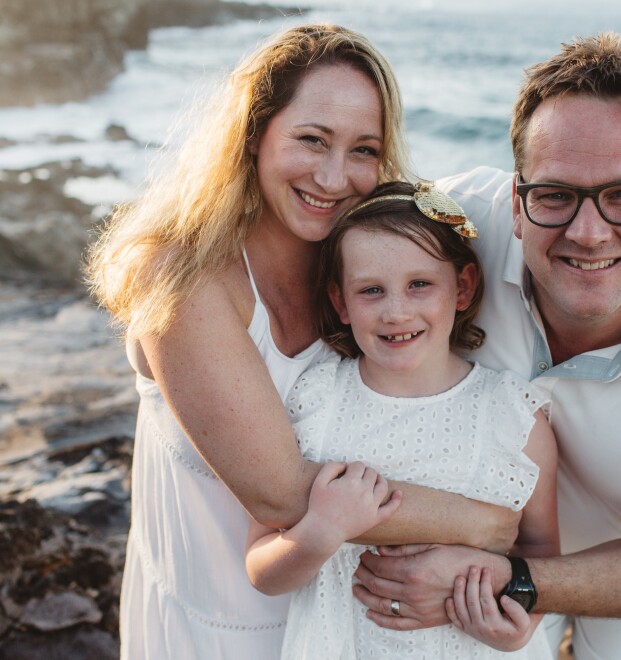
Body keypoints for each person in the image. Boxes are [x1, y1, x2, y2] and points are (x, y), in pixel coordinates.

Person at [352, 33, 621, 659]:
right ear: (515, 199)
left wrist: (520, 583)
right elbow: (336, 258)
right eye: (555, 195)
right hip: (478, 508)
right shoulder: (448, 234)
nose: (588, 234)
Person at [85, 24, 521, 659]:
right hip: (205, 632)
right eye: (312, 140)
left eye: (364, 150)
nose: (334, 176)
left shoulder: (362, 286)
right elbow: (282, 493)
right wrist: (488, 521)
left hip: (339, 632)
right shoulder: (181, 273)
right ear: (255, 133)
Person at [244, 181, 560, 659]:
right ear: (340, 303)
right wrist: (322, 532)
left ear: (463, 286)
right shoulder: (315, 403)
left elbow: (541, 552)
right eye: (371, 290)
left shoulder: (515, 419)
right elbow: (261, 570)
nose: (396, 311)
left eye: (419, 284)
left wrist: (520, 622)